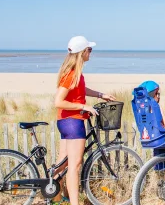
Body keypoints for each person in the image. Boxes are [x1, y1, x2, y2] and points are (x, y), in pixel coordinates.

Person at [52, 36, 116, 205]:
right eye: (89, 50)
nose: (91, 53)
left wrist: (101, 95)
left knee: (62, 164)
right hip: (73, 122)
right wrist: (84, 107)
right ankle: (74, 203)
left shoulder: (75, 72)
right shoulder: (71, 73)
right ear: (82, 52)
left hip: (65, 121)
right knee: (75, 166)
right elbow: (58, 101)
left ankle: (54, 198)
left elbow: (80, 89)